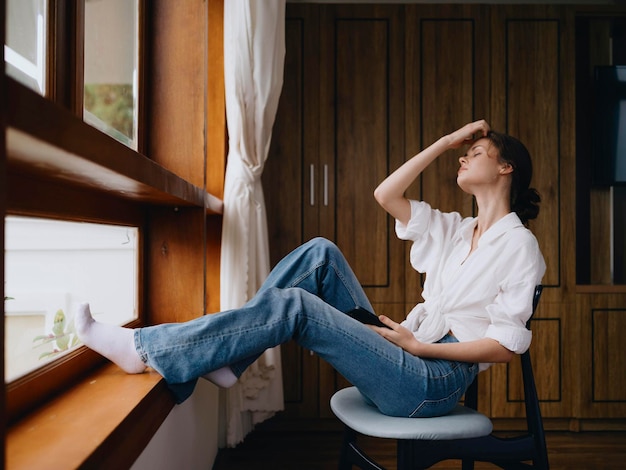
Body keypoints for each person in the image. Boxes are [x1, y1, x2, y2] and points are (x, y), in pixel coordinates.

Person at [75, 120, 545, 418]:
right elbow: (387, 195)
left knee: (296, 306)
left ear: (506, 169)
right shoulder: (457, 230)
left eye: (476, 153)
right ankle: (226, 360)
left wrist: (421, 346)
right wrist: (444, 143)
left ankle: (146, 349)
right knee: (319, 253)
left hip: (431, 383)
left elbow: (506, 347)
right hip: (405, 347)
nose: (464, 157)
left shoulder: (520, 246)